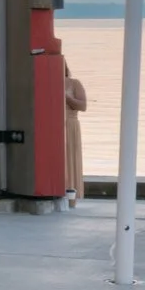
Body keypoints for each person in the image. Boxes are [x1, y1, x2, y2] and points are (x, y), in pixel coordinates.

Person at [61, 43, 89, 205]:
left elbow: (83, 105)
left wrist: (67, 98)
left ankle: (72, 194)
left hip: (70, 125)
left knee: (70, 158)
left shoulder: (74, 83)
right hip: (53, 127)